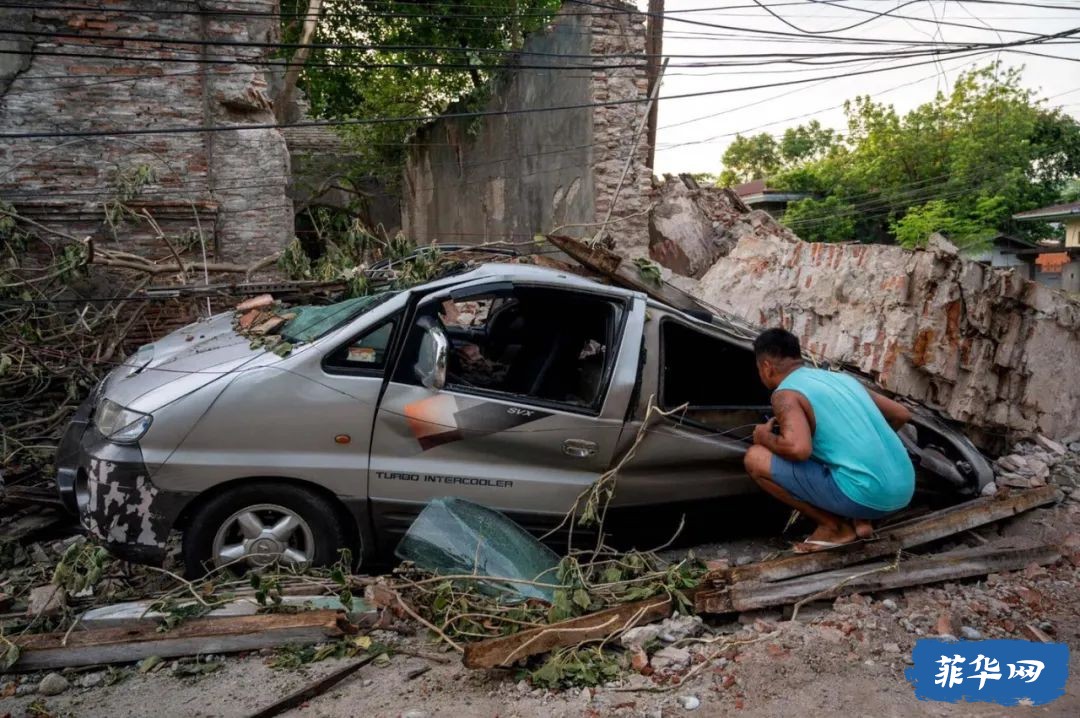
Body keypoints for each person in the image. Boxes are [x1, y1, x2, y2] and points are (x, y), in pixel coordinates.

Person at [743, 328, 915, 553]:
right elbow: (901, 414)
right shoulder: (842, 379)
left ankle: (834, 527)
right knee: (829, 455)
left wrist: (764, 437)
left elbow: (798, 449)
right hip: (903, 491)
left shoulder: (785, 394)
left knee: (755, 458)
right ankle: (860, 518)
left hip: (866, 495)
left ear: (766, 367)